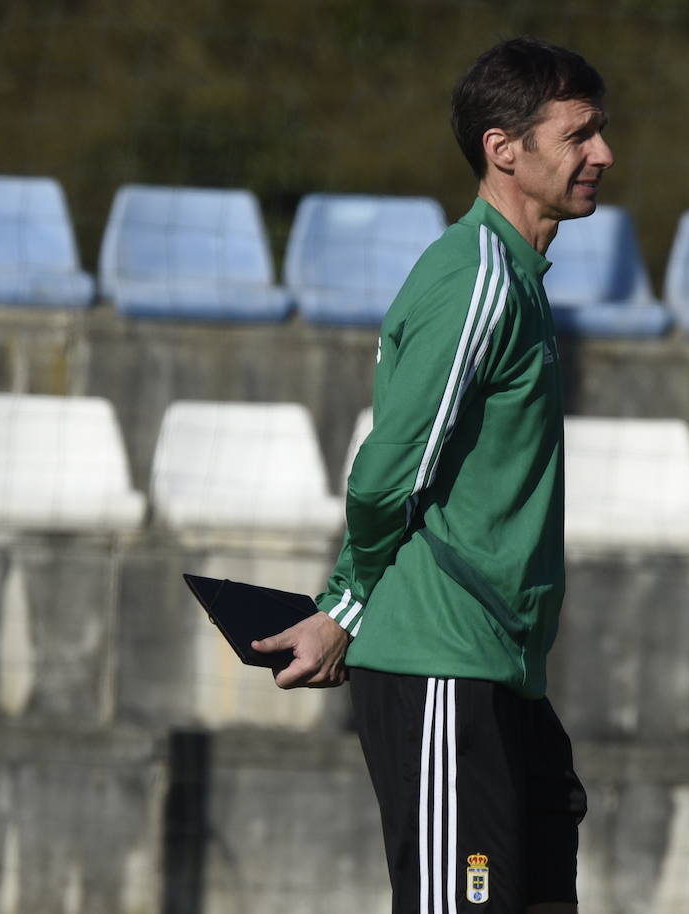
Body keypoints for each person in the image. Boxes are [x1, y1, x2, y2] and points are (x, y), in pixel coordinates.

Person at [251, 36, 614, 914]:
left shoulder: (518, 279)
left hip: (499, 667)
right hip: (442, 665)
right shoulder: (478, 280)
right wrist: (342, 609)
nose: (604, 154)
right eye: (580, 135)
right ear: (504, 148)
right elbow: (390, 469)